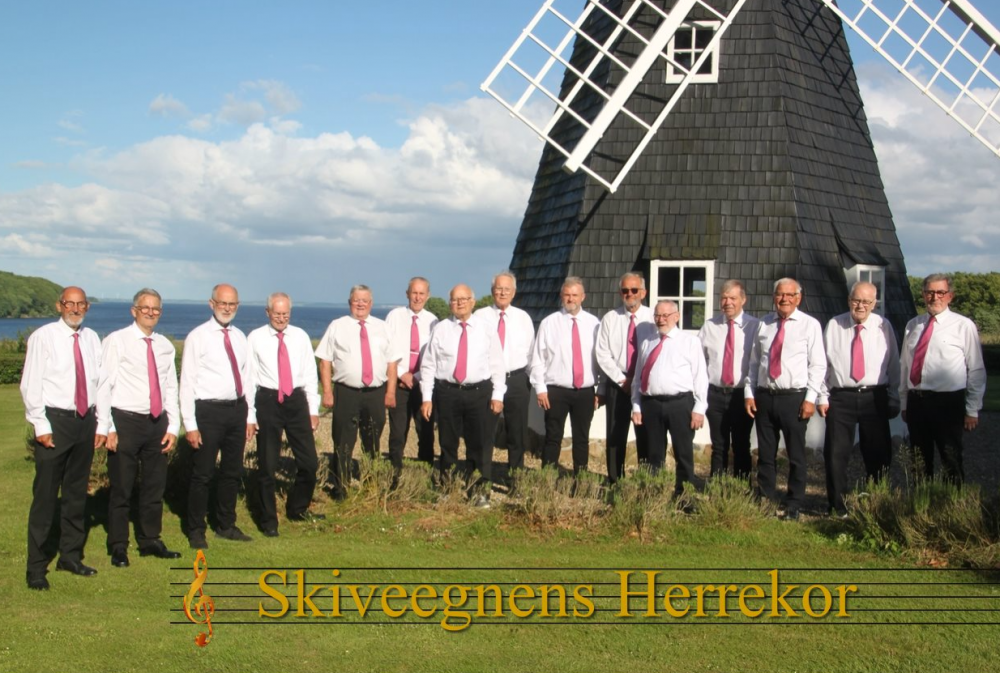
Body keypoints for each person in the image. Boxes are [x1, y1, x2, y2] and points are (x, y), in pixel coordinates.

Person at [20, 286, 103, 590]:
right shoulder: (43, 337)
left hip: (85, 421)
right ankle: (36, 567)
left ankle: (70, 556)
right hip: (55, 422)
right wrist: (40, 425)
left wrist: (101, 424)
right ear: (60, 305)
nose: (75, 309)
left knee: (76, 494)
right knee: (45, 497)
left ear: (87, 307)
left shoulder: (92, 338)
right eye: (70, 303)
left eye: (81, 304)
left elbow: (99, 383)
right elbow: (30, 384)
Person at [96, 288, 182, 566]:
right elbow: (104, 385)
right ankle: (118, 545)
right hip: (126, 421)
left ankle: (150, 540)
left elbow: (170, 387)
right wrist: (108, 426)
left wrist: (173, 426)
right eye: (145, 308)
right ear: (134, 311)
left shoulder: (165, 345)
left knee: (154, 487)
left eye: (156, 309)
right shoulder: (117, 341)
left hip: (157, 423)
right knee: (122, 487)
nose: (151, 313)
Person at [745, 278, 826, 520]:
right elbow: (754, 363)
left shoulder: (810, 325)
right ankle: (766, 500)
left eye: (790, 295)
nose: (785, 299)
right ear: (774, 297)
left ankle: (794, 504)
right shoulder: (764, 324)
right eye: (780, 294)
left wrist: (810, 398)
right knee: (765, 454)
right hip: (765, 396)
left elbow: (818, 365)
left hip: (794, 398)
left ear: (798, 298)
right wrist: (749, 393)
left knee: (796, 455)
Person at [817, 281, 900, 516]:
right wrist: (822, 396)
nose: (860, 306)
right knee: (835, 454)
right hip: (841, 397)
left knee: (878, 454)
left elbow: (893, 364)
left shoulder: (883, 326)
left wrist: (894, 396)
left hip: (874, 396)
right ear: (849, 300)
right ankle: (837, 506)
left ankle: (875, 503)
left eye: (866, 301)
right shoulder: (835, 325)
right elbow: (823, 364)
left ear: (874, 303)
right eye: (856, 300)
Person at [180, 283, 253, 549]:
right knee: (203, 474)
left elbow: (248, 378)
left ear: (238, 306)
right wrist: (190, 424)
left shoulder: (240, 337)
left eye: (232, 304)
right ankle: (196, 530)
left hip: (237, 410)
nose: (227, 308)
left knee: (232, 472)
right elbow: (187, 382)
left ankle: (226, 525)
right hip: (208, 411)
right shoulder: (198, 336)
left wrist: (250, 416)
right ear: (212, 304)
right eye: (223, 303)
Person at [420, 284, 505, 506]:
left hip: (479, 393)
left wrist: (498, 395)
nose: (459, 303)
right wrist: (426, 397)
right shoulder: (441, 329)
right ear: (450, 303)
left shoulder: (486, 329)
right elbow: (428, 365)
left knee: (478, 445)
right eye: (455, 299)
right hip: (448, 393)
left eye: (464, 299)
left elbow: (497, 363)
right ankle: (448, 489)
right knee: (447, 443)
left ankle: (479, 492)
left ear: (472, 302)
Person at [246, 292, 322, 537]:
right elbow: (249, 379)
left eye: (285, 314)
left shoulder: (300, 336)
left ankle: (297, 509)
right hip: (268, 400)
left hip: (296, 400)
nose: (281, 318)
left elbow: (310, 374)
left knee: (309, 462)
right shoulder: (255, 338)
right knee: (267, 464)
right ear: (268, 312)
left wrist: (313, 410)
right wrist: (250, 415)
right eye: (277, 314)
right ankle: (268, 520)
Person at [899, 273, 986, 483]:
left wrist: (972, 409)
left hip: (947, 402)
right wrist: (904, 402)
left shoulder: (963, 326)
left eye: (940, 292)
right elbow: (905, 366)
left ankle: (952, 501)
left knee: (950, 458)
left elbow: (975, 369)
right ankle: (922, 501)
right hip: (917, 401)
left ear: (950, 296)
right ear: (923, 295)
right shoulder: (913, 325)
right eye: (930, 292)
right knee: (919, 461)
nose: (934, 297)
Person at [316, 285, 397, 497]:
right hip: (346, 392)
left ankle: (371, 484)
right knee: (343, 441)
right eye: (356, 300)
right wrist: (327, 392)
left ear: (371, 303)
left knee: (373, 441)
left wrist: (390, 393)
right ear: (349, 302)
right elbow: (325, 361)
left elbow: (392, 363)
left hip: (376, 393)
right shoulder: (337, 326)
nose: (360, 304)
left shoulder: (383, 328)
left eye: (364, 300)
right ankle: (340, 487)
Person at [631, 300, 708, 493]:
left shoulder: (690, 342)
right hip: (651, 404)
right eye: (657, 315)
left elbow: (700, 377)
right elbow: (638, 378)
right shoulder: (647, 342)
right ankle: (654, 495)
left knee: (683, 453)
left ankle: (684, 496)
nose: (661, 320)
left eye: (665, 315)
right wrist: (636, 406)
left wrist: (699, 408)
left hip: (680, 404)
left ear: (677, 316)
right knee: (653, 454)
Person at [529, 277, 601, 474]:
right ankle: (548, 479)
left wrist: (600, 389)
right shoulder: (549, 323)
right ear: (561, 296)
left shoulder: (594, 324)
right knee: (553, 437)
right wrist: (540, 389)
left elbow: (601, 358)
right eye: (567, 295)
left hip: (585, 391)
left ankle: (581, 481)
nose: (571, 299)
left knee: (581, 438)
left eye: (575, 295)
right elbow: (538, 359)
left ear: (583, 297)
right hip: (556, 391)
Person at [474, 271, 535, 478]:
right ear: (492, 291)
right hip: (488, 382)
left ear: (514, 292)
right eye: (499, 288)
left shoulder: (523, 318)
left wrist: (532, 381)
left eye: (507, 289)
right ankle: (483, 479)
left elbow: (531, 352)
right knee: (485, 433)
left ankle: (516, 480)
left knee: (517, 434)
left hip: (517, 380)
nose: (502, 293)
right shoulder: (480, 316)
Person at [596, 272, 655, 483]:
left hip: (645, 384)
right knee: (615, 435)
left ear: (643, 293)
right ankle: (615, 481)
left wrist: (637, 379)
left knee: (645, 434)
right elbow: (602, 353)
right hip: (618, 383)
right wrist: (622, 380)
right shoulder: (610, 319)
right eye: (625, 290)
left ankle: (646, 482)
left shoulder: (653, 318)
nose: (629, 294)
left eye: (634, 290)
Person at [697, 279, 759, 479]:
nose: (728, 303)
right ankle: (717, 489)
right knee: (718, 445)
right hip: (715, 394)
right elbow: (698, 360)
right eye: (724, 298)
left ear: (743, 300)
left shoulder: (754, 326)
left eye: (733, 298)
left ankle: (741, 489)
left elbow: (757, 362)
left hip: (741, 395)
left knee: (741, 445)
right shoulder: (710, 326)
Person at [385, 277, 438, 472]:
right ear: (407, 294)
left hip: (423, 385)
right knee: (398, 432)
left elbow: (435, 356)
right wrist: (402, 374)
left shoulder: (433, 321)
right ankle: (394, 473)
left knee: (426, 431)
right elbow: (386, 349)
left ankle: (425, 472)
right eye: (414, 293)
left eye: (421, 293)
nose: (417, 297)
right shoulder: (394, 316)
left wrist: (416, 377)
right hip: (398, 383)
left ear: (428, 296)